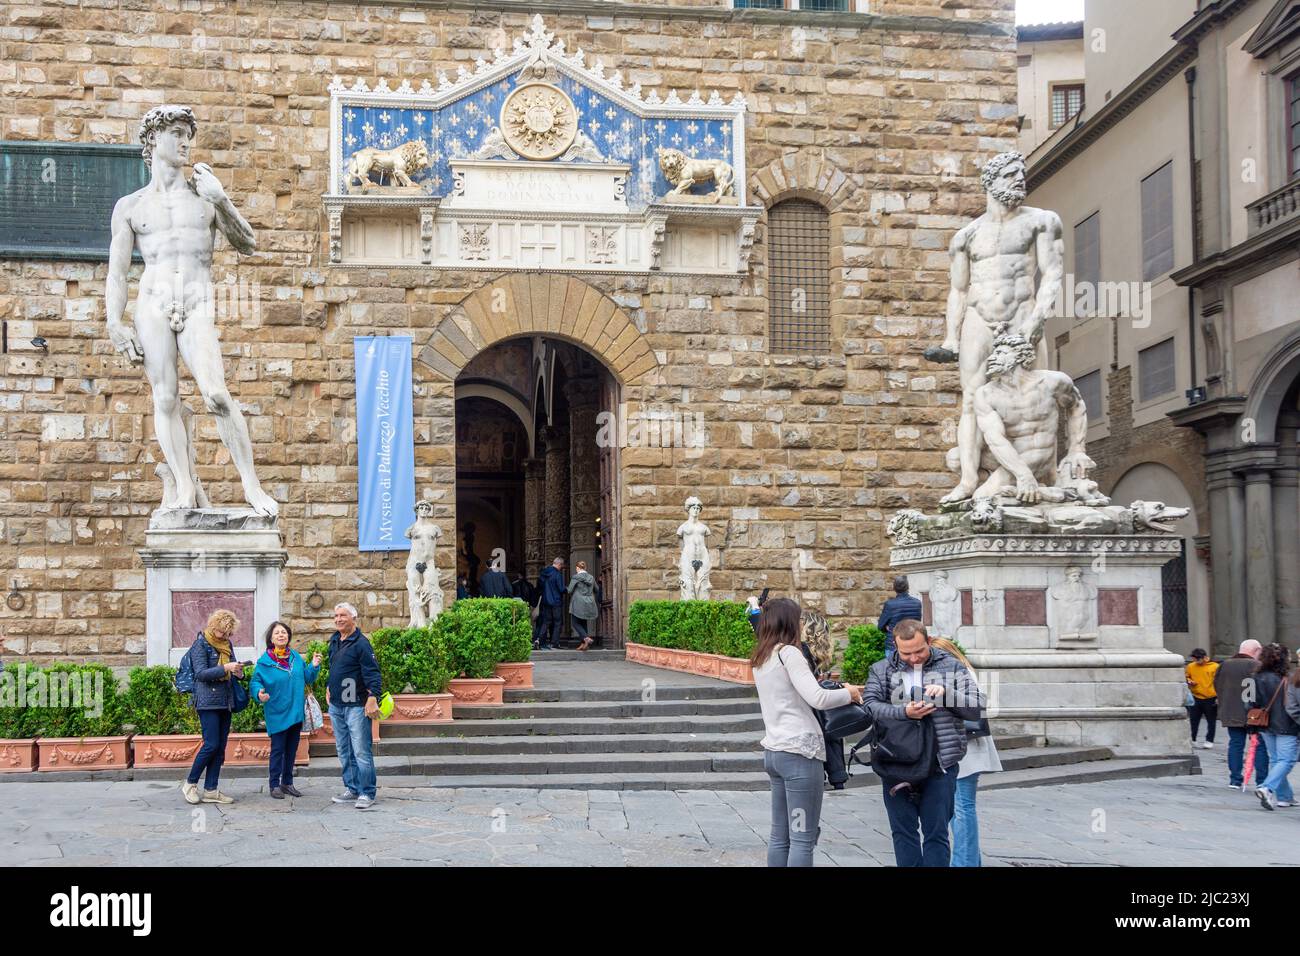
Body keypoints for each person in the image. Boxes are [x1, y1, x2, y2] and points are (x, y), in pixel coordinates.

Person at [863, 619, 984, 867]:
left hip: (940, 763)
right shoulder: (882, 669)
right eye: (906, 653)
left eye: (919, 651)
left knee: (937, 833)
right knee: (903, 832)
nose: (914, 658)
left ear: (928, 641)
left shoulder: (951, 666)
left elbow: (976, 709)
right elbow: (870, 707)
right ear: (896, 647)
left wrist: (947, 694)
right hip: (896, 762)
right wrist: (904, 712)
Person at [750, 598, 862, 867]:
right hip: (800, 753)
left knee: (780, 835)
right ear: (788, 621)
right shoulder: (789, 653)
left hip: (775, 752)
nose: (802, 624)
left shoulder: (761, 657)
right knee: (802, 838)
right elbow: (818, 699)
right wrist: (850, 693)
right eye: (798, 619)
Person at [931, 637, 1001, 867]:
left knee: (961, 810)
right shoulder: (964, 670)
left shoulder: (957, 674)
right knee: (959, 810)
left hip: (966, 749)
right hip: (966, 748)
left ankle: (964, 864)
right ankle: (970, 861)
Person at [249, 621, 321, 799]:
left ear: (288, 636)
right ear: (271, 639)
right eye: (277, 633)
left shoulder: (296, 657)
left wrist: (314, 665)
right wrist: (259, 693)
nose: (281, 635)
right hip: (276, 711)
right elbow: (255, 682)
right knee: (278, 750)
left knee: (291, 749)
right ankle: (274, 784)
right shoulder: (264, 663)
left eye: (284, 632)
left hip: (295, 711)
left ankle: (287, 783)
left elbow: (308, 677)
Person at [181, 609, 245, 806]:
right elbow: (200, 673)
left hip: (225, 700)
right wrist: (225, 668)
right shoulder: (200, 644)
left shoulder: (227, 645)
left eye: (229, 634)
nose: (225, 636)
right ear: (214, 627)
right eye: (223, 632)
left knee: (220, 747)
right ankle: (190, 784)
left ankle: (211, 790)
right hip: (207, 701)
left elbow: (231, 668)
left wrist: (238, 672)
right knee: (211, 745)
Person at [325, 603, 383, 810]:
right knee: (344, 750)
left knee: (361, 751)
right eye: (336, 615)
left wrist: (372, 697)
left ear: (353, 618)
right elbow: (334, 668)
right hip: (337, 705)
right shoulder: (334, 640)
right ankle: (352, 788)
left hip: (356, 706)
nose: (338, 619)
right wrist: (328, 687)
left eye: (343, 615)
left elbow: (373, 673)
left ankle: (367, 792)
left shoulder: (362, 643)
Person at [799, 609, 849, 791]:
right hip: (820, 701)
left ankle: (825, 775)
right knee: (831, 737)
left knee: (821, 737)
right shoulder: (818, 650)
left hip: (809, 701)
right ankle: (838, 777)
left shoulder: (801, 650)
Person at [1215, 639, 1269, 789]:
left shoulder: (1224, 665)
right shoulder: (1257, 666)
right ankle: (1261, 781)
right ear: (1256, 651)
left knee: (1235, 744)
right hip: (1255, 713)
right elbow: (1262, 690)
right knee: (1259, 746)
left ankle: (1235, 780)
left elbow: (1217, 685)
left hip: (1231, 712)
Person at [1253, 644, 1298, 811]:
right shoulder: (1290, 679)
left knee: (1276, 760)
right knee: (1286, 760)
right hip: (1287, 724)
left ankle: (1285, 797)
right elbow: (1294, 704)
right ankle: (1267, 787)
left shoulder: (1253, 678)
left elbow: (1247, 702)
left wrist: (1252, 721)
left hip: (1264, 723)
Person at [878, 575, 922, 659]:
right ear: (907, 587)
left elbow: (880, 626)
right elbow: (917, 623)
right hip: (914, 643)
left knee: (893, 670)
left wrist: (888, 628)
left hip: (894, 644)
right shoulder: (917, 603)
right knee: (915, 670)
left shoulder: (890, 604)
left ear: (894, 588)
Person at [1185, 648, 1219, 749]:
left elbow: (1219, 682)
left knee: (1211, 721)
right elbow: (1186, 676)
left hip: (1211, 697)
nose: (1195, 661)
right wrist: (1189, 681)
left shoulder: (1215, 667)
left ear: (1204, 658)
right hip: (1196, 696)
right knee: (1193, 720)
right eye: (1194, 659)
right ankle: (1193, 739)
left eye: (1197, 659)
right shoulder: (1191, 666)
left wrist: (1218, 696)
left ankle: (1209, 740)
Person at [568, 560, 599, 651]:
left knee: (575, 622)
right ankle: (584, 644)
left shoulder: (576, 577)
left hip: (578, 602)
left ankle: (586, 638)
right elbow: (596, 589)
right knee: (583, 622)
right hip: (589, 602)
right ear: (585, 568)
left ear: (577, 568)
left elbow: (569, 590)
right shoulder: (591, 577)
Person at [537, 557, 566, 650]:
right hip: (556, 601)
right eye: (561, 566)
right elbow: (561, 589)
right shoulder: (557, 574)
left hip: (545, 601)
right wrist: (567, 589)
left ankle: (539, 640)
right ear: (559, 564)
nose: (561, 568)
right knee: (558, 622)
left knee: (546, 622)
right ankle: (554, 643)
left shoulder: (544, 573)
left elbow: (539, 586)